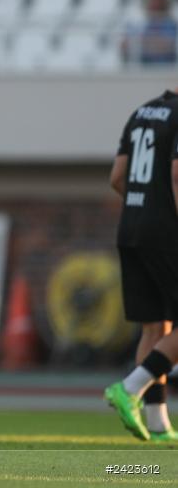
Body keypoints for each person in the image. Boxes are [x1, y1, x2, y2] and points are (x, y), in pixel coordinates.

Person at [104, 87, 178, 443]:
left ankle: (158, 423)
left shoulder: (142, 111)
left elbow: (117, 176)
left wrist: (145, 207)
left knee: (155, 327)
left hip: (130, 227)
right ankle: (130, 388)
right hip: (165, 232)